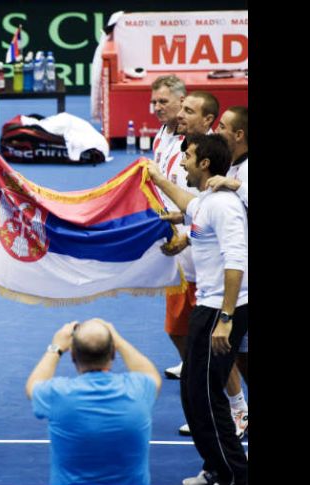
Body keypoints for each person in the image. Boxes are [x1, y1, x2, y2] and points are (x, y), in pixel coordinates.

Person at [147, 134, 248, 485]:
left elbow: (237, 261)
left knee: (206, 396)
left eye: (187, 156)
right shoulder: (206, 199)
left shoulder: (223, 204)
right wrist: (158, 180)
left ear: (204, 164)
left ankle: (233, 473)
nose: (183, 162)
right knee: (193, 390)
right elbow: (190, 206)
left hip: (223, 309)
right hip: (208, 305)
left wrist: (226, 318)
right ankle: (216, 467)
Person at [26, 318, 161, 485]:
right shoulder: (139, 389)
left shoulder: (58, 395)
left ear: (73, 354)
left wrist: (56, 348)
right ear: (112, 352)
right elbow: (151, 375)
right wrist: (119, 341)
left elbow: (33, 386)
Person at [212, 105, 249, 438]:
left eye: (221, 126)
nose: (215, 130)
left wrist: (234, 186)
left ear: (239, 135)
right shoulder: (232, 166)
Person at [149, 75, 188, 380]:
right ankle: (191, 363)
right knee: (175, 321)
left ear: (182, 101)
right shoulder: (161, 134)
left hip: (195, 240)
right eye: (154, 102)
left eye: (163, 101)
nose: (156, 107)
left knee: (200, 325)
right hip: (170, 233)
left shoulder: (199, 144)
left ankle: (233, 401)